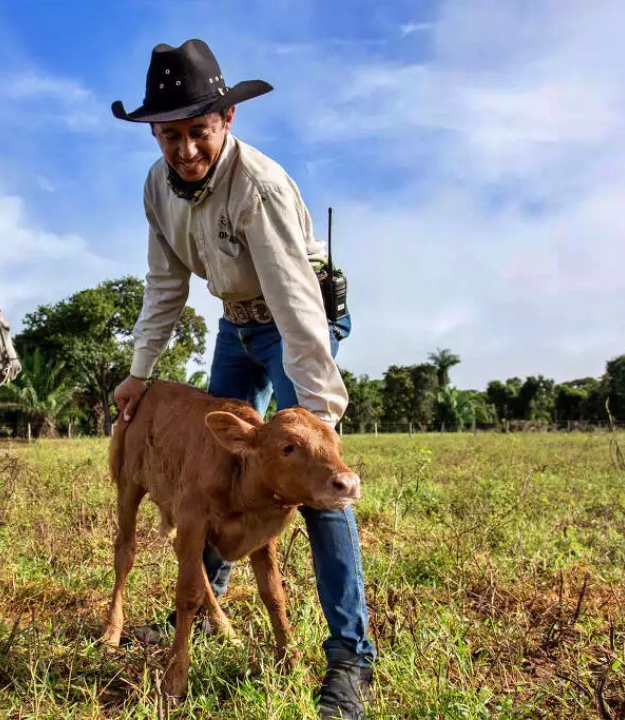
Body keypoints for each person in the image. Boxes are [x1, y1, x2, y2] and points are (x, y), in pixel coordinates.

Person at [110, 39, 374, 719]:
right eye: (171, 135)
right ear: (155, 134)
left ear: (227, 121)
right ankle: (200, 607)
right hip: (236, 322)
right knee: (220, 455)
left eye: (199, 131)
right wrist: (140, 374)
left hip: (297, 323)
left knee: (315, 488)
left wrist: (316, 423)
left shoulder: (259, 188)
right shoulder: (155, 187)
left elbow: (296, 306)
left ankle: (350, 656)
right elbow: (165, 285)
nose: (185, 149)